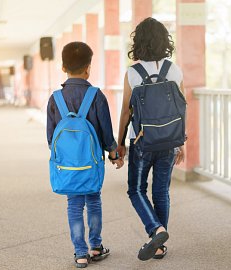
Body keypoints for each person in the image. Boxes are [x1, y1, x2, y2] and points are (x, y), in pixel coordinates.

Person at [46, 41, 124, 268]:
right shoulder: (96, 96)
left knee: (73, 205)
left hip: (68, 166)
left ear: (63, 67)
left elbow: (51, 139)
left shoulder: (55, 99)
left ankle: (80, 253)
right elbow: (106, 133)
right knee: (94, 201)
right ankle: (96, 247)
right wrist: (113, 154)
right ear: (89, 67)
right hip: (91, 165)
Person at [116, 17, 185, 261]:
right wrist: (181, 142)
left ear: (139, 42)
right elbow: (181, 109)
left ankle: (157, 230)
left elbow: (126, 111)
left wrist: (120, 142)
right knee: (161, 192)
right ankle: (159, 246)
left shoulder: (133, 73)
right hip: (168, 141)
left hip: (141, 142)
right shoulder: (174, 70)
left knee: (135, 190)